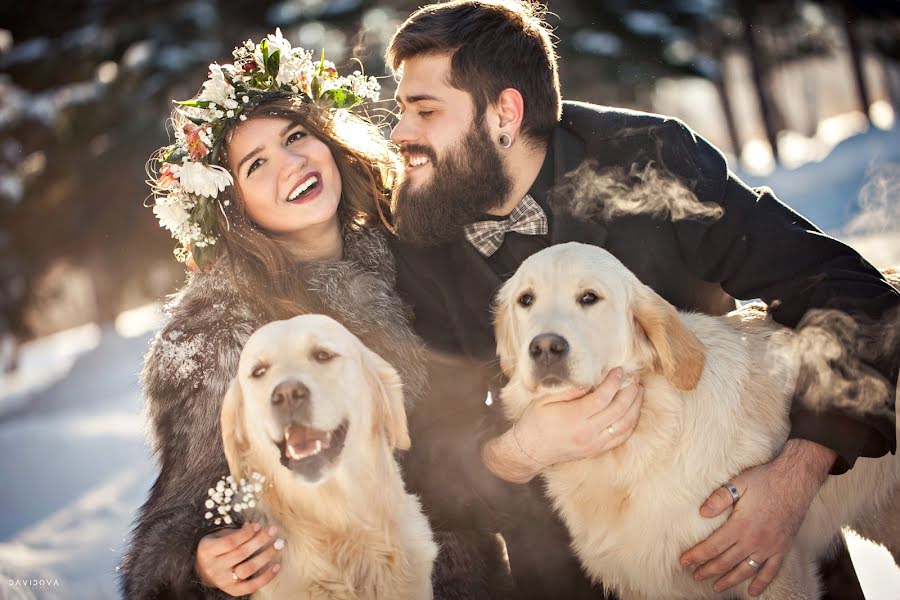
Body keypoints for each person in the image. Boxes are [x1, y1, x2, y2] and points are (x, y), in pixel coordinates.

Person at [383, 1, 900, 599]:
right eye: (402, 111)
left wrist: (791, 480)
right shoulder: (422, 238)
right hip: (572, 564)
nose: (400, 133)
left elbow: (857, 299)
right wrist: (523, 449)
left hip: (745, 520)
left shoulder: (648, 158)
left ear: (505, 112)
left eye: (424, 110)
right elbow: (431, 450)